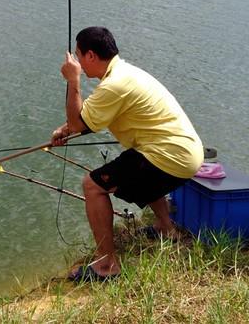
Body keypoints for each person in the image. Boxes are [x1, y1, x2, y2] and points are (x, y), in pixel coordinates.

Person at [51, 27, 203, 282]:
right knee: (136, 159)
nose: (76, 62)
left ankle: (107, 265)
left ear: (90, 55)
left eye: (78, 56)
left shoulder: (114, 85)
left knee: (93, 186)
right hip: (185, 153)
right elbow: (86, 120)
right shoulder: (124, 74)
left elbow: (79, 123)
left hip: (169, 157)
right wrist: (66, 129)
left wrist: (72, 81)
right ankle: (167, 229)